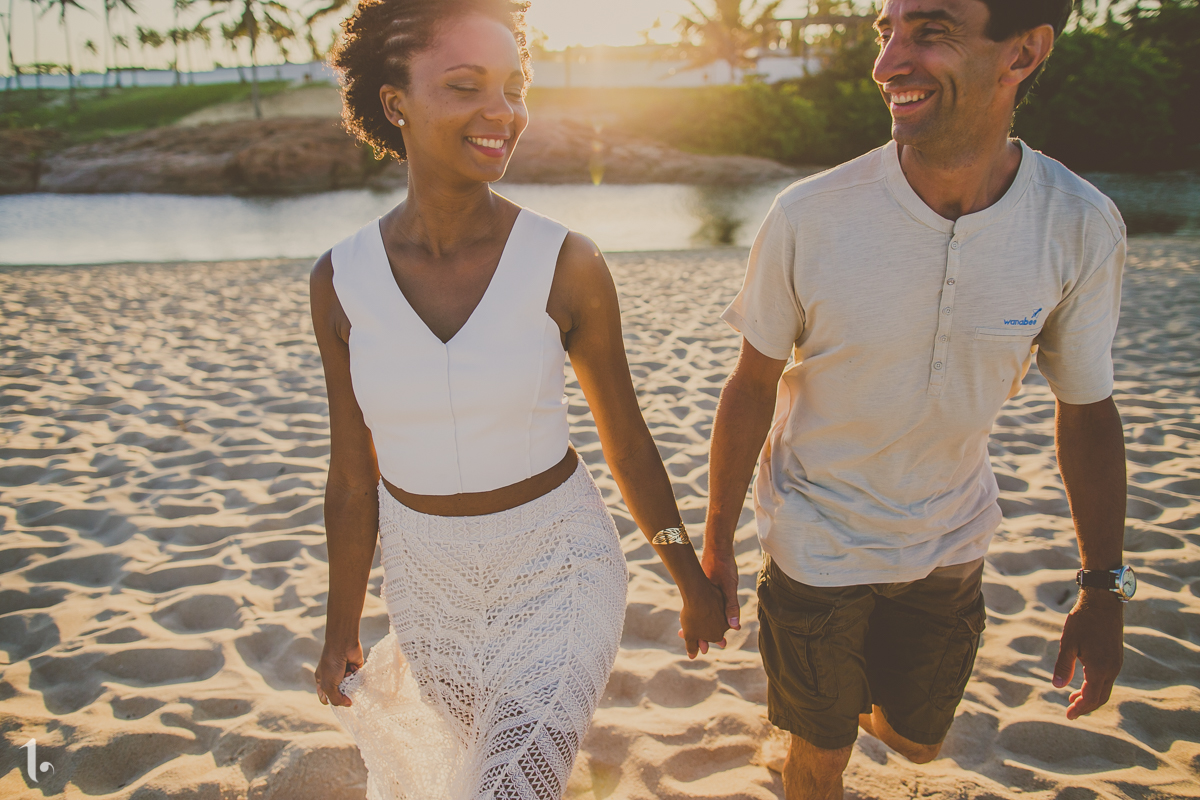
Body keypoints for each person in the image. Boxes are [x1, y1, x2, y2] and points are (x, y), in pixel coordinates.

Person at [702, 1, 1130, 797]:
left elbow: (1088, 409)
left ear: (1025, 53)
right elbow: (751, 383)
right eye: (885, 32)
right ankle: (811, 721)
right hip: (814, 536)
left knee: (915, 741)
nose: (887, 62)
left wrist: (1103, 585)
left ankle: (824, 705)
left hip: (951, 536)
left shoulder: (1077, 225)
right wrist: (718, 541)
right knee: (821, 760)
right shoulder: (808, 215)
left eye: (929, 32)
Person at [308, 1, 729, 797]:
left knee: (512, 782)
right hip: (428, 586)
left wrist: (687, 574)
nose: (501, 112)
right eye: (466, 87)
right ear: (395, 102)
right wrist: (341, 631)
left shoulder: (565, 261)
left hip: (558, 567)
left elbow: (628, 444)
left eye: (513, 86)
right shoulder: (340, 279)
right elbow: (351, 477)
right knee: (487, 769)